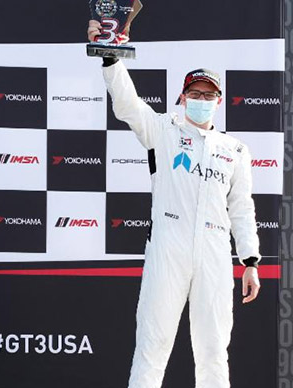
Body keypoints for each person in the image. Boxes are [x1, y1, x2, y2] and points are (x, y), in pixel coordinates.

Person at [87, 20, 261, 388]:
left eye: (208, 95)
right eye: (194, 94)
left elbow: (242, 208)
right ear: (182, 98)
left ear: (219, 100)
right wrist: (110, 57)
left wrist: (250, 261)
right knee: (153, 344)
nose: (201, 100)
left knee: (214, 350)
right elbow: (127, 105)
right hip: (168, 246)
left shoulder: (236, 150)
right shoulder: (164, 131)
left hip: (215, 251)